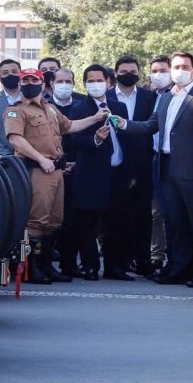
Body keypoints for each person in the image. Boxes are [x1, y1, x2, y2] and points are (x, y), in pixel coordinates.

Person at [114, 52, 193, 287]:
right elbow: (151, 126)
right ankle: (179, 268)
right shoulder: (165, 98)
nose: (179, 71)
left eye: (184, 66)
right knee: (175, 221)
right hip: (166, 167)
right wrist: (123, 124)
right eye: (176, 67)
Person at [6, 68, 107, 284]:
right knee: (36, 221)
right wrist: (41, 159)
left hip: (56, 171)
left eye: (34, 80)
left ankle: (45, 266)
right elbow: (15, 139)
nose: (29, 84)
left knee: (53, 221)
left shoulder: (50, 109)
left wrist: (95, 118)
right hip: (37, 169)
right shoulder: (16, 110)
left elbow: (69, 126)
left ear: (43, 85)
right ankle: (32, 269)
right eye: (26, 80)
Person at [69, 64, 131, 280]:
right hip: (92, 174)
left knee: (116, 222)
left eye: (99, 80)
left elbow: (128, 137)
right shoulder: (79, 108)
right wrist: (95, 138)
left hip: (117, 171)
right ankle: (91, 266)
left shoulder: (119, 107)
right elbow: (75, 139)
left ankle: (115, 267)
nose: (95, 84)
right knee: (88, 223)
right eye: (90, 81)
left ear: (108, 82)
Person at [112, 55, 159, 277]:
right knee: (117, 217)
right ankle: (118, 264)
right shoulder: (108, 96)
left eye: (132, 70)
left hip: (143, 165)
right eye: (123, 71)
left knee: (143, 216)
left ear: (139, 73)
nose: (128, 74)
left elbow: (151, 129)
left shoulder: (150, 97)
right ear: (115, 73)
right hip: (116, 166)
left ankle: (143, 263)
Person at [49, 68, 83, 279]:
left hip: (77, 169)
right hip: (51, 168)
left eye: (68, 81)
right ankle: (46, 262)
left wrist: (76, 162)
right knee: (50, 220)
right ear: (51, 84)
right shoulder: (43, 105)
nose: (64, 85)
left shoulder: (82, 105)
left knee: (73, 220)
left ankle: (69, 264)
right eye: (59, 81)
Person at [146, 54, 174, 278]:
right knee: (156, 212)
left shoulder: (179, 94)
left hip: (176, 160)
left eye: (163, 70)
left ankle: (175, 257)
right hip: (154, 159)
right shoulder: (149, 96)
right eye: (154, 71)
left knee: (173, 211)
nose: (159, 75)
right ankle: (156, 257)